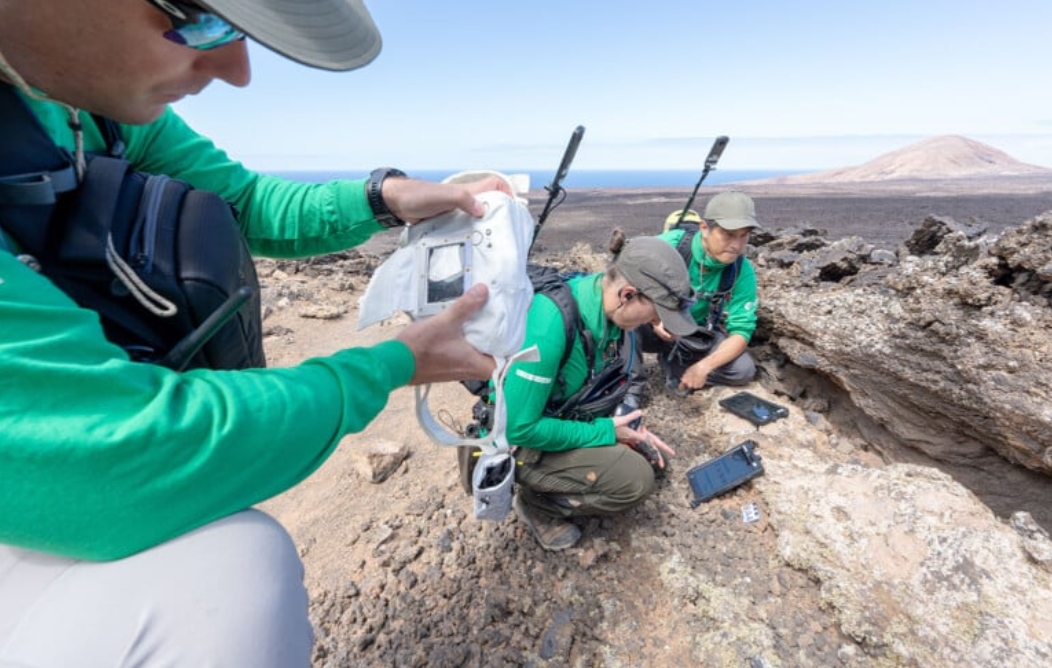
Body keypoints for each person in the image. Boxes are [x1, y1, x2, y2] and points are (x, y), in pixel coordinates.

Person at [0, 1, 512, 665]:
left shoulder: (80, 102)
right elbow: (125, 453)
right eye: (204, 19)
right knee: (230, 575)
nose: (236, 70)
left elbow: (244, 202)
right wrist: (387, 365)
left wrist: (384, 197)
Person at [497, 236, 695, 552]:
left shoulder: (609, 315)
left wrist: (624, 431)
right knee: (635, 481)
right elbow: (518, 428)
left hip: (562, 418)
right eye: (653, 314)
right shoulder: (549, 326)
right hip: (515, 444)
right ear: (628, 295)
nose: (654, 324)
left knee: (648, 462)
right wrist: (605, 432)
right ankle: (537, 504)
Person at [637, 190, 760, 393]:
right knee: (622, 322)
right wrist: (654, 319)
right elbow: (623, 286)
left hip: (692, 333)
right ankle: (630, 387)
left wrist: (705, 366)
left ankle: (679, 370)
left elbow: (741, 331)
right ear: (704, 228)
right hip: (649, 325)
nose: (736, 245)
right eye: (728, 234)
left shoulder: (741, 270)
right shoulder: (669, 246)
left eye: (743, 236)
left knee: (742, 371)